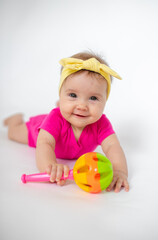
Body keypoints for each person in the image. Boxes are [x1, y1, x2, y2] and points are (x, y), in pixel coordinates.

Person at [4, 52, 129, 193]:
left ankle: (64, 104)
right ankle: (15, 118)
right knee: (13, 133)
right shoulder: (55, 119)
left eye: (93, 98)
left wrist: (120, 171)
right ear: (60, 93)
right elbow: (45, 144)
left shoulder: (101, 124)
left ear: (105, 101)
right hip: (37, 131)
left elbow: (113, 146)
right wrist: (50, 166)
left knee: (70, 110)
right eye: (73, 95)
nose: (82, 106)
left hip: (64, 115)